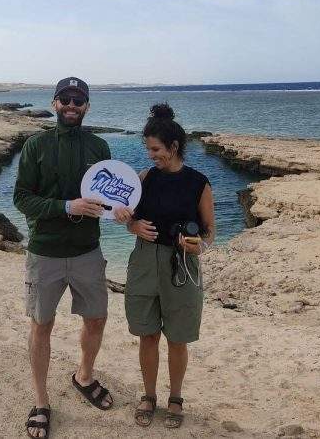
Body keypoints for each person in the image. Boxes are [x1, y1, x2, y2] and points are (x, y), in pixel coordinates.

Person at [13, 77, 114, 438]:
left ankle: (83, 376)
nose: (72, 105)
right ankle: (41, 402)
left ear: (87, 106)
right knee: (42, 325)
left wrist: (123, 209)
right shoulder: (35, 145)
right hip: (45, 251)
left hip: (88, 250)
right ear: (55, 103)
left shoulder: (99, 145)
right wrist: (67, 205)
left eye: (79, 100)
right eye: (66, 99)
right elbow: (22, 198)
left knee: (97, 319)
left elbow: (111, 196)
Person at [114, 103, 215, 429]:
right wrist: (131, 226)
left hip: (182, 267)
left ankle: (176, 398)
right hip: (144, 261)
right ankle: (149, 395)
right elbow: (125, 216)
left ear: (173, 147)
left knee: (177, 338)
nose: (151, 155)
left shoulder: (199, 183)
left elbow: (211, 233)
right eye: (148, 149)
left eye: (155, 149)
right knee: (147, 335)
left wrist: (198, 245)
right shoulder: (144, 178)